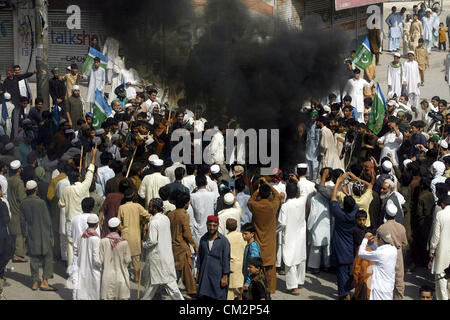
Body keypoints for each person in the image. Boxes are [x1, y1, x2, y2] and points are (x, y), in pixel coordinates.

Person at [59, 144, 98, 273]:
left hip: (71, 222)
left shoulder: (67, 190)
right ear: (78, 178)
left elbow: (61, 204)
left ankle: (72, 270)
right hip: (82, 221)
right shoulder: (83, 187)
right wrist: (93, 157)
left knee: (71, 246)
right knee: (83, 245)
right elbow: (90, 173)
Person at [141, 198, 184, 300]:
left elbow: (152, 240)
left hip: (157, 258)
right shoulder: (165, 219)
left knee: (152, 285)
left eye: (150, 206)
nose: (148, 208)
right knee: (170, 286)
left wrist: (143, 245)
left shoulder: (154, 222)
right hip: (166, 256)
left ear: (155, 208)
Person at [247, 178, 281, 294]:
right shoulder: (273, 206)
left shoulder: (255, 206)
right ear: (269, 194)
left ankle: (257, 288)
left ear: (260, 194)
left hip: (257, 240)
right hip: (270, 242)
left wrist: (258, 189)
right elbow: (277, 196)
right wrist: (267, 184)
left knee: (257, 266)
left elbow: (250, 201)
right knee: (270, 268)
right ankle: (271, 290)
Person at [20, 180, 55, 291]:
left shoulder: (23, 203)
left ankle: (35, 282)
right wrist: (52, 236)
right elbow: (48, 221)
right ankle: (44, 281)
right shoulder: (41, 203)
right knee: (47, 258)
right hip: (44, 234)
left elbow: (22, 221)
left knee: (34, 259)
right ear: (36, 190)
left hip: (32, 234)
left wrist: (24, 236)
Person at [330, 172, 359, 300]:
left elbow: (333, 198)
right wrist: (347, 192)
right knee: (350, 271)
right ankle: (349, 291)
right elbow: (353, 203)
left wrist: (338, 182)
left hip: (340, 247)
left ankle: (345, 295)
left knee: (341, 273)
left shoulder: (339, 214)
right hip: (351, 247)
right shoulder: (355, 213)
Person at [167, 191, 198, 299]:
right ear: (186, 203)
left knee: (175, 270)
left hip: (172, 245)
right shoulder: (184, 215)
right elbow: (187, 233)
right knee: (187, 270)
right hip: (181, 246)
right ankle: (191, 291)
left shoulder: (170, 214)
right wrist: (194, 245)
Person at [278, 182, 307, 295]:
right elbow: (304, 191)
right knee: (300, 258)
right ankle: (300, 281)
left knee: (289, 260)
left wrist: (275, 231)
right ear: (297, 192)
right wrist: (297, 181)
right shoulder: (302, 201)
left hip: (290, 235)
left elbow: (281, 223)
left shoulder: (285, 206)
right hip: (300, 235)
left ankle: (293, 287)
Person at [117, 188, 151, 283]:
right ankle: (136, 277)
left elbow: (118, 223)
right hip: (136, 235)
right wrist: (143, 222)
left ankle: (123, 276)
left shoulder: (121, 207)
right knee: (136, 258)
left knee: (124, 257)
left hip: (125, 235)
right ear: (133, 196)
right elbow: (148, 216)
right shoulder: (137, 206)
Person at [196, 215, 231, 300]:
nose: (211, 228)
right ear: (206, 225)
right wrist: (198, 272)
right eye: (210, 225)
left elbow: (226, 260)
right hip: (205, 276)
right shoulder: (203, 239)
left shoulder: (223, 241)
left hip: (217, 276)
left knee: (218, 296)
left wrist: (225, 277)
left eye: (214, 225)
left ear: (218, 225)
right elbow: (200, 257)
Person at [377, 203, 408, 300]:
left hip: (386, 255)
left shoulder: (381, 228)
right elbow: (404, 243)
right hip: (398, 255)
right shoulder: (401, 227)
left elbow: (378, 244)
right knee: (399, 281)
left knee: (385, 280)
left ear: (386, 214)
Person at [358, 229, 397, 300]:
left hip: (379, 288)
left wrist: (365, 239)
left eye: (377, 238)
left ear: (381, 239)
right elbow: (378, 250)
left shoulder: (380, 253)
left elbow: (361, 253)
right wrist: (371, 244)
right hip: (389, 286)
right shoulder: (393, 249)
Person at [99, 217, 131, 300]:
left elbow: (100, 260)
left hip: (107, 278)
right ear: (118, 228)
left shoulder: (103, 241)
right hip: (121, 277)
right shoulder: (124, 243)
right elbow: (128, 260)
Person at [72, 214, 102, 300]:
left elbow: (76, 251)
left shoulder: (81, 236)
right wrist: (102, 265)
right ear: (97, 224)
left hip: (82, 268)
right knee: (92, 293)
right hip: (93, 270)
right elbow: (96, 259)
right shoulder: (95, 239)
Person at [429, 195, 450, 300]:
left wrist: (432, 249)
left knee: (441, 278)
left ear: (443, 204)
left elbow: (436, 235)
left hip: (442, 252)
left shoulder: (440, 214)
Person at [7, 160, 28, 263]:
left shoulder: (7, 179)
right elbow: (22, 198)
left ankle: (12, 252)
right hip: (17, 209)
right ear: (19, 170)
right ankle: (18, 255)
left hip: (9, 208)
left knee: (11, 232)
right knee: (19, 233)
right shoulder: (19, 182)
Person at [189, 174, 217, 245]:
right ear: (206, 183)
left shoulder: (192, 196)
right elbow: (215, 208)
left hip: (197, 229)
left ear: (196, 184)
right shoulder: (213, 195)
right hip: (211, 227)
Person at [225, 218, 246, 300]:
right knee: (241, 286)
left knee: (230, 290)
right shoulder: (242, 236)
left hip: (232, 265)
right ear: (236, 226)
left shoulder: (226, 238)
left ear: (226, 227)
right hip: (242, 264)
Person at [241, 223, 261, 298]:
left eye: (245, 234)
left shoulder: (253, 247)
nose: (243, 236)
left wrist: (248, 282)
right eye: (242, 233)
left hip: (251, 281)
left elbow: (253, 266)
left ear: (252, 234)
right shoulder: (251, 244)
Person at [305, 110, 320, 181]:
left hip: (315, 147)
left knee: (315, 161)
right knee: (308, 161)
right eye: (312, 116)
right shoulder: (309, 124)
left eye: (314, 116)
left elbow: (318, 138)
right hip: (309, 146)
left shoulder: (318, 125)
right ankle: (309, 177)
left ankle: (314, 178)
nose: (313, 117)